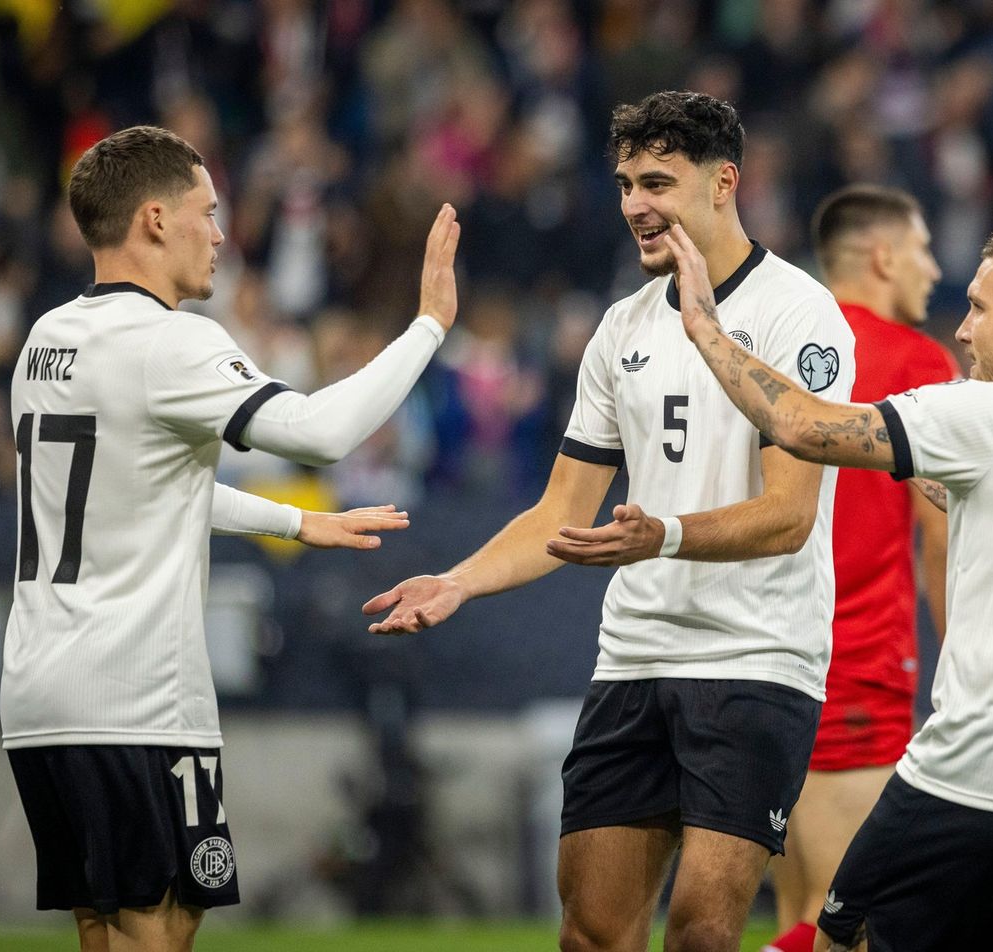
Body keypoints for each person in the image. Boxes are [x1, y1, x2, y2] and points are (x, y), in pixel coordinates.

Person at [364, 90, 855, 952]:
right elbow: (561, 511)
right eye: (627, 184)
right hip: (634, 658)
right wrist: (458, 582)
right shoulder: (621, 327)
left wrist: (663, 537)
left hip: (755, 656)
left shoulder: (797, 312)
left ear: (724, 183)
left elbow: (788, 516)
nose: (635, 204)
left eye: (657, 182)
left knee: (701, 934)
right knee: (589, 933)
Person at [665, 223, 993, 952]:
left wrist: (705, 328)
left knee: (839, 939)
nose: (964, 329)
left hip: (982, 774)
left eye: (979, 307)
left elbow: (798, 425)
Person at [1, 125, 461, 952]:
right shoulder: (171, 340)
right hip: (134, 698)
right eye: (207, 212)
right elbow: (320, 432)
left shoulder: (47, 338)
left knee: (105, 929)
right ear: (154, 219)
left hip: (40, 694)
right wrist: (428, 325)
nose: (219, 235)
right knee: (161, 928)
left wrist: (293, 521)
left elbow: (142, 486)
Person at [763, 185, 958, 952]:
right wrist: (964, 666)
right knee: (846, 920)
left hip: (768, 655)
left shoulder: (772, 346)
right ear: (882, 257)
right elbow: (940, 539)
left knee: (796, 911)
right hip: (856, 664)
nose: (933, 270)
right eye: (922, 250)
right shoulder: (917, 361)